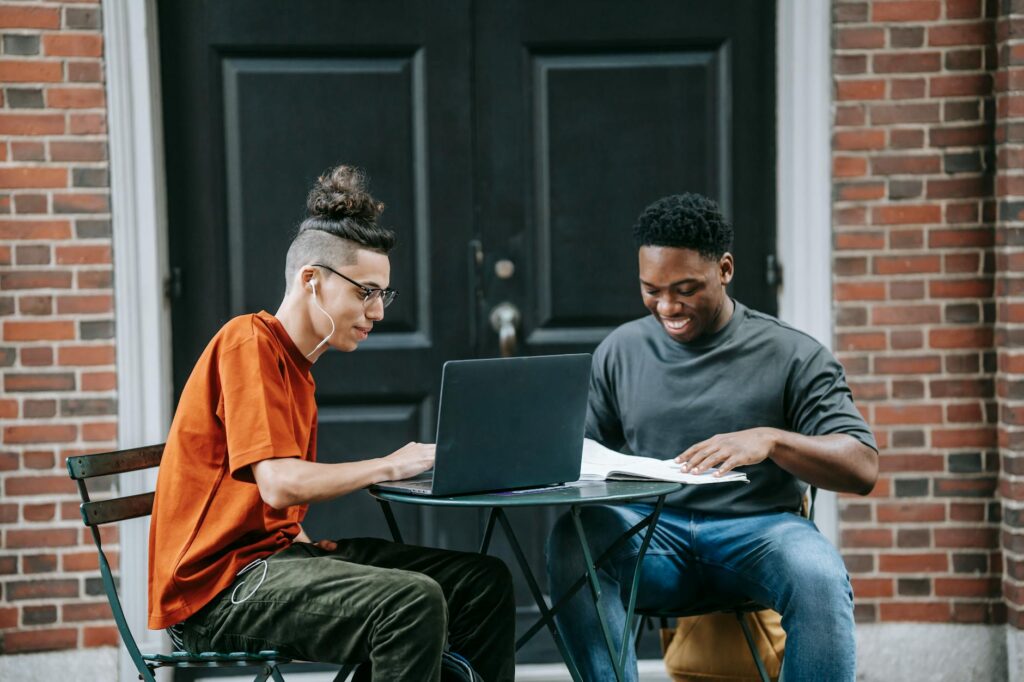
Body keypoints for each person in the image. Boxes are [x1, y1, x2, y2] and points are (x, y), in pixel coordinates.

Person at [148, 165, 515, 681]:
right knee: (409, 602)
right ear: (311, 281)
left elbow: (274, 504)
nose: (377, 312)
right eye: (365, 292)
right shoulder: (247, 342)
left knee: (482, 581)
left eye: (382, 295)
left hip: (278, 561)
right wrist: (387, 465)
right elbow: (280, 484)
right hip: (218, 593)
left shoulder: (299, 367)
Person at [546, 193, 878, 682]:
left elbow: (863, 466)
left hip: (761, 536)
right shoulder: (622, 349)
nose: (666, 306)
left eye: (685, 289)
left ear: (724, 269)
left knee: (818, 575)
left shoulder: (792, 354)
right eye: (651, 290)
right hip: (653, 536)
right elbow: (584, 454)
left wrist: (772, 440)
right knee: (573, 541)